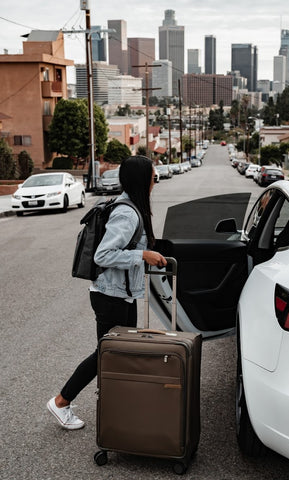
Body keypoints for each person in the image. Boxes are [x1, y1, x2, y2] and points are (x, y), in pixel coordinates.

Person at [47, 156, 167, 430]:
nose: (154, 180)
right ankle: (61, 401)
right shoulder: (127, 212)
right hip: (109, 295)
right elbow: (104, 255)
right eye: (152, 175)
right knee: (108, 354)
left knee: (120, 352)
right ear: (141, 179)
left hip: (120, 294)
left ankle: (122, 409)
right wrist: (143, 255)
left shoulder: (132, 206)